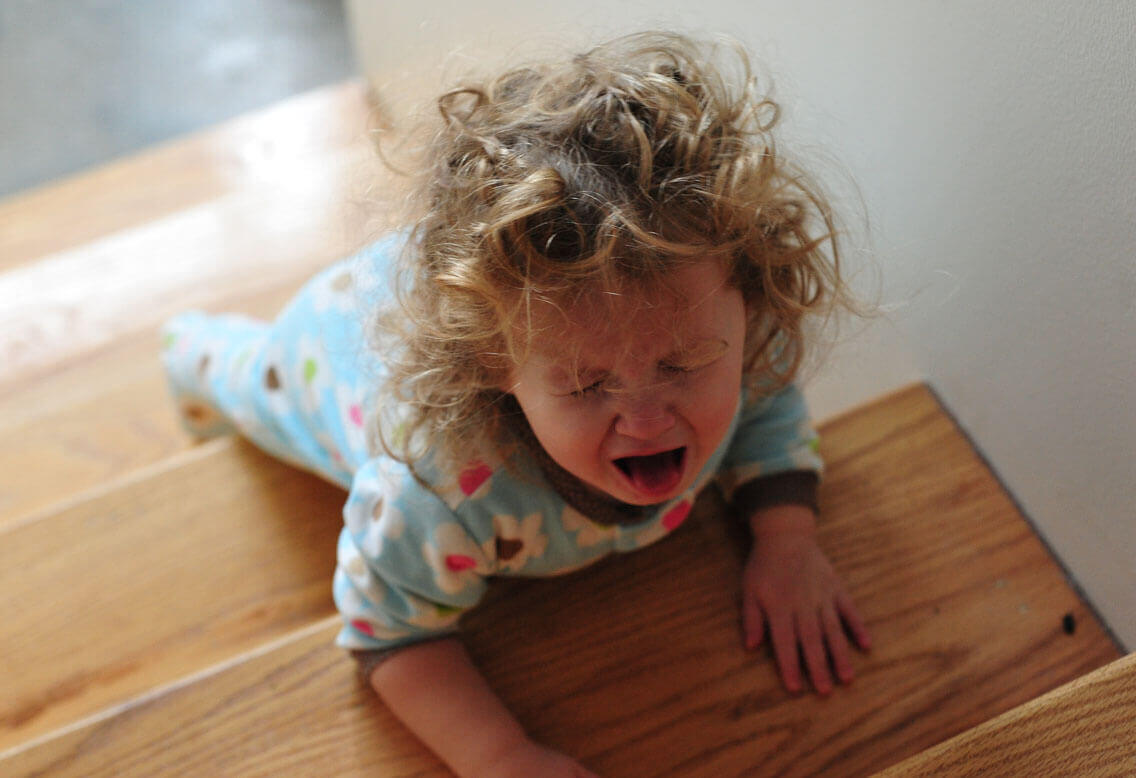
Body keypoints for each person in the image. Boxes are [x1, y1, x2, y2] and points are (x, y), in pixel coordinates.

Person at [161, 31, 872, 777]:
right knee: (237, 378)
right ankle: (185, 350)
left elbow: (768, 409)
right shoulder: (432, 494)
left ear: (749, 305)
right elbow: (386, 630)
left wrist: (787, 541)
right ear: (491, 367)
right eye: (588, 386)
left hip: (505, 295)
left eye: (683, 365)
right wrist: (499, 756)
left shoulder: (737, 337)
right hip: (321, 354)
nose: (647, 420)